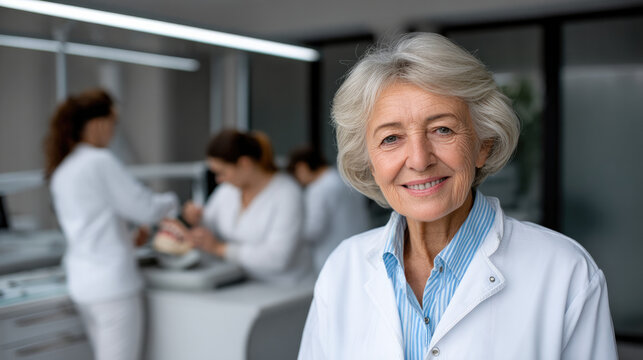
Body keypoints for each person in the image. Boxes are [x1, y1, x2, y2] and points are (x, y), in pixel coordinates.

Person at [298, 33, 617, 359]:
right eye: (392, 138)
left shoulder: (566, 272)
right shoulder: (342, 269)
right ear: (370, 162)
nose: (420, 160)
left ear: (483, 145)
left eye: (442, 129)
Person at [44, 88, 179, 360]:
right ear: (98, 124)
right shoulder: (99, 161)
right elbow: (145, 208)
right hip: (112, 289)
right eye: (114, 123)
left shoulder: (62, 170)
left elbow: (91, 229)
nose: (114, 132)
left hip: (83, 285)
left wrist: (127, 241)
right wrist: (172, 201)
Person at [174, 129, 313, 285]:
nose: (219, 179)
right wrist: (194, 220)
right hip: (241, 283)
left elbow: (278, 258)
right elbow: (209, 226)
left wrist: (219, 249)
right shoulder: (227, 191)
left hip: (285, 289)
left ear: (244, 164)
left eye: (222, 172)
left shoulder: (287, 194)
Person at [287, 146, 370, 274]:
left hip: (332, 255)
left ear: (302, 167)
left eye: (296, 174)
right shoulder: (346, 179)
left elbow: (313, 230)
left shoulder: (318, 189)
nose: (298, 180)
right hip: (362, 247)